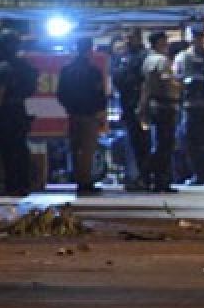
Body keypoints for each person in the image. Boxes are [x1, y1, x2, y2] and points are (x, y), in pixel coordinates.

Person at [0, 30, 39, 196]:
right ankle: (23, 183)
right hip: (20, 110)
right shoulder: (24, 66)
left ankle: (11, 184)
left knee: (6, 149)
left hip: (5, 112)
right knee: (20, 147)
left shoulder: (3, 67)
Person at [56, 37, 107, 195]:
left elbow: (60, 93)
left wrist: (69, 107)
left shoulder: (67, 70)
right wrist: (100, 112)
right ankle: (85, 182)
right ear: (89, 49)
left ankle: (78, 178)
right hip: (89, 114)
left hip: (73, 114)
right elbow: (99, 94)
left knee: (75, 148)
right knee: (87, 150)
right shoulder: (93, 71)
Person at [138, 32, 181, 193]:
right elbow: (166, 82)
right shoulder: (161, 60)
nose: (167, 44)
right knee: (165, 145)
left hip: (154, 104)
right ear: (158, 43)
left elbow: (146, 85)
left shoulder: (148, 60)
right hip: (165, 105)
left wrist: (143, 106)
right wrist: (179, 85)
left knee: (159, 144)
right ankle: (155, 178)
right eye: (164, 41)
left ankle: (151, 177)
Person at [173, 29, 204, 186]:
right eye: (197, 38)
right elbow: (178, 79)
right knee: (190, 142)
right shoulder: (184, 57)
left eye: (201, 37)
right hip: (190, 105)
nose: (200, 41)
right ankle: (196, 173)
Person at [113, 28, 149, 190]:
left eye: (130, 38)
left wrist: (142, 105)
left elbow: (145, 83)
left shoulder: (143, 57)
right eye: (126, 38)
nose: (127, 41)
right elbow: (118, 79)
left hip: (140, 106)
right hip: (127, 105)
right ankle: (134, 176)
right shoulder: (124, 58)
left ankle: (144, 176)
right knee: (132, 143)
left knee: (143, 143)